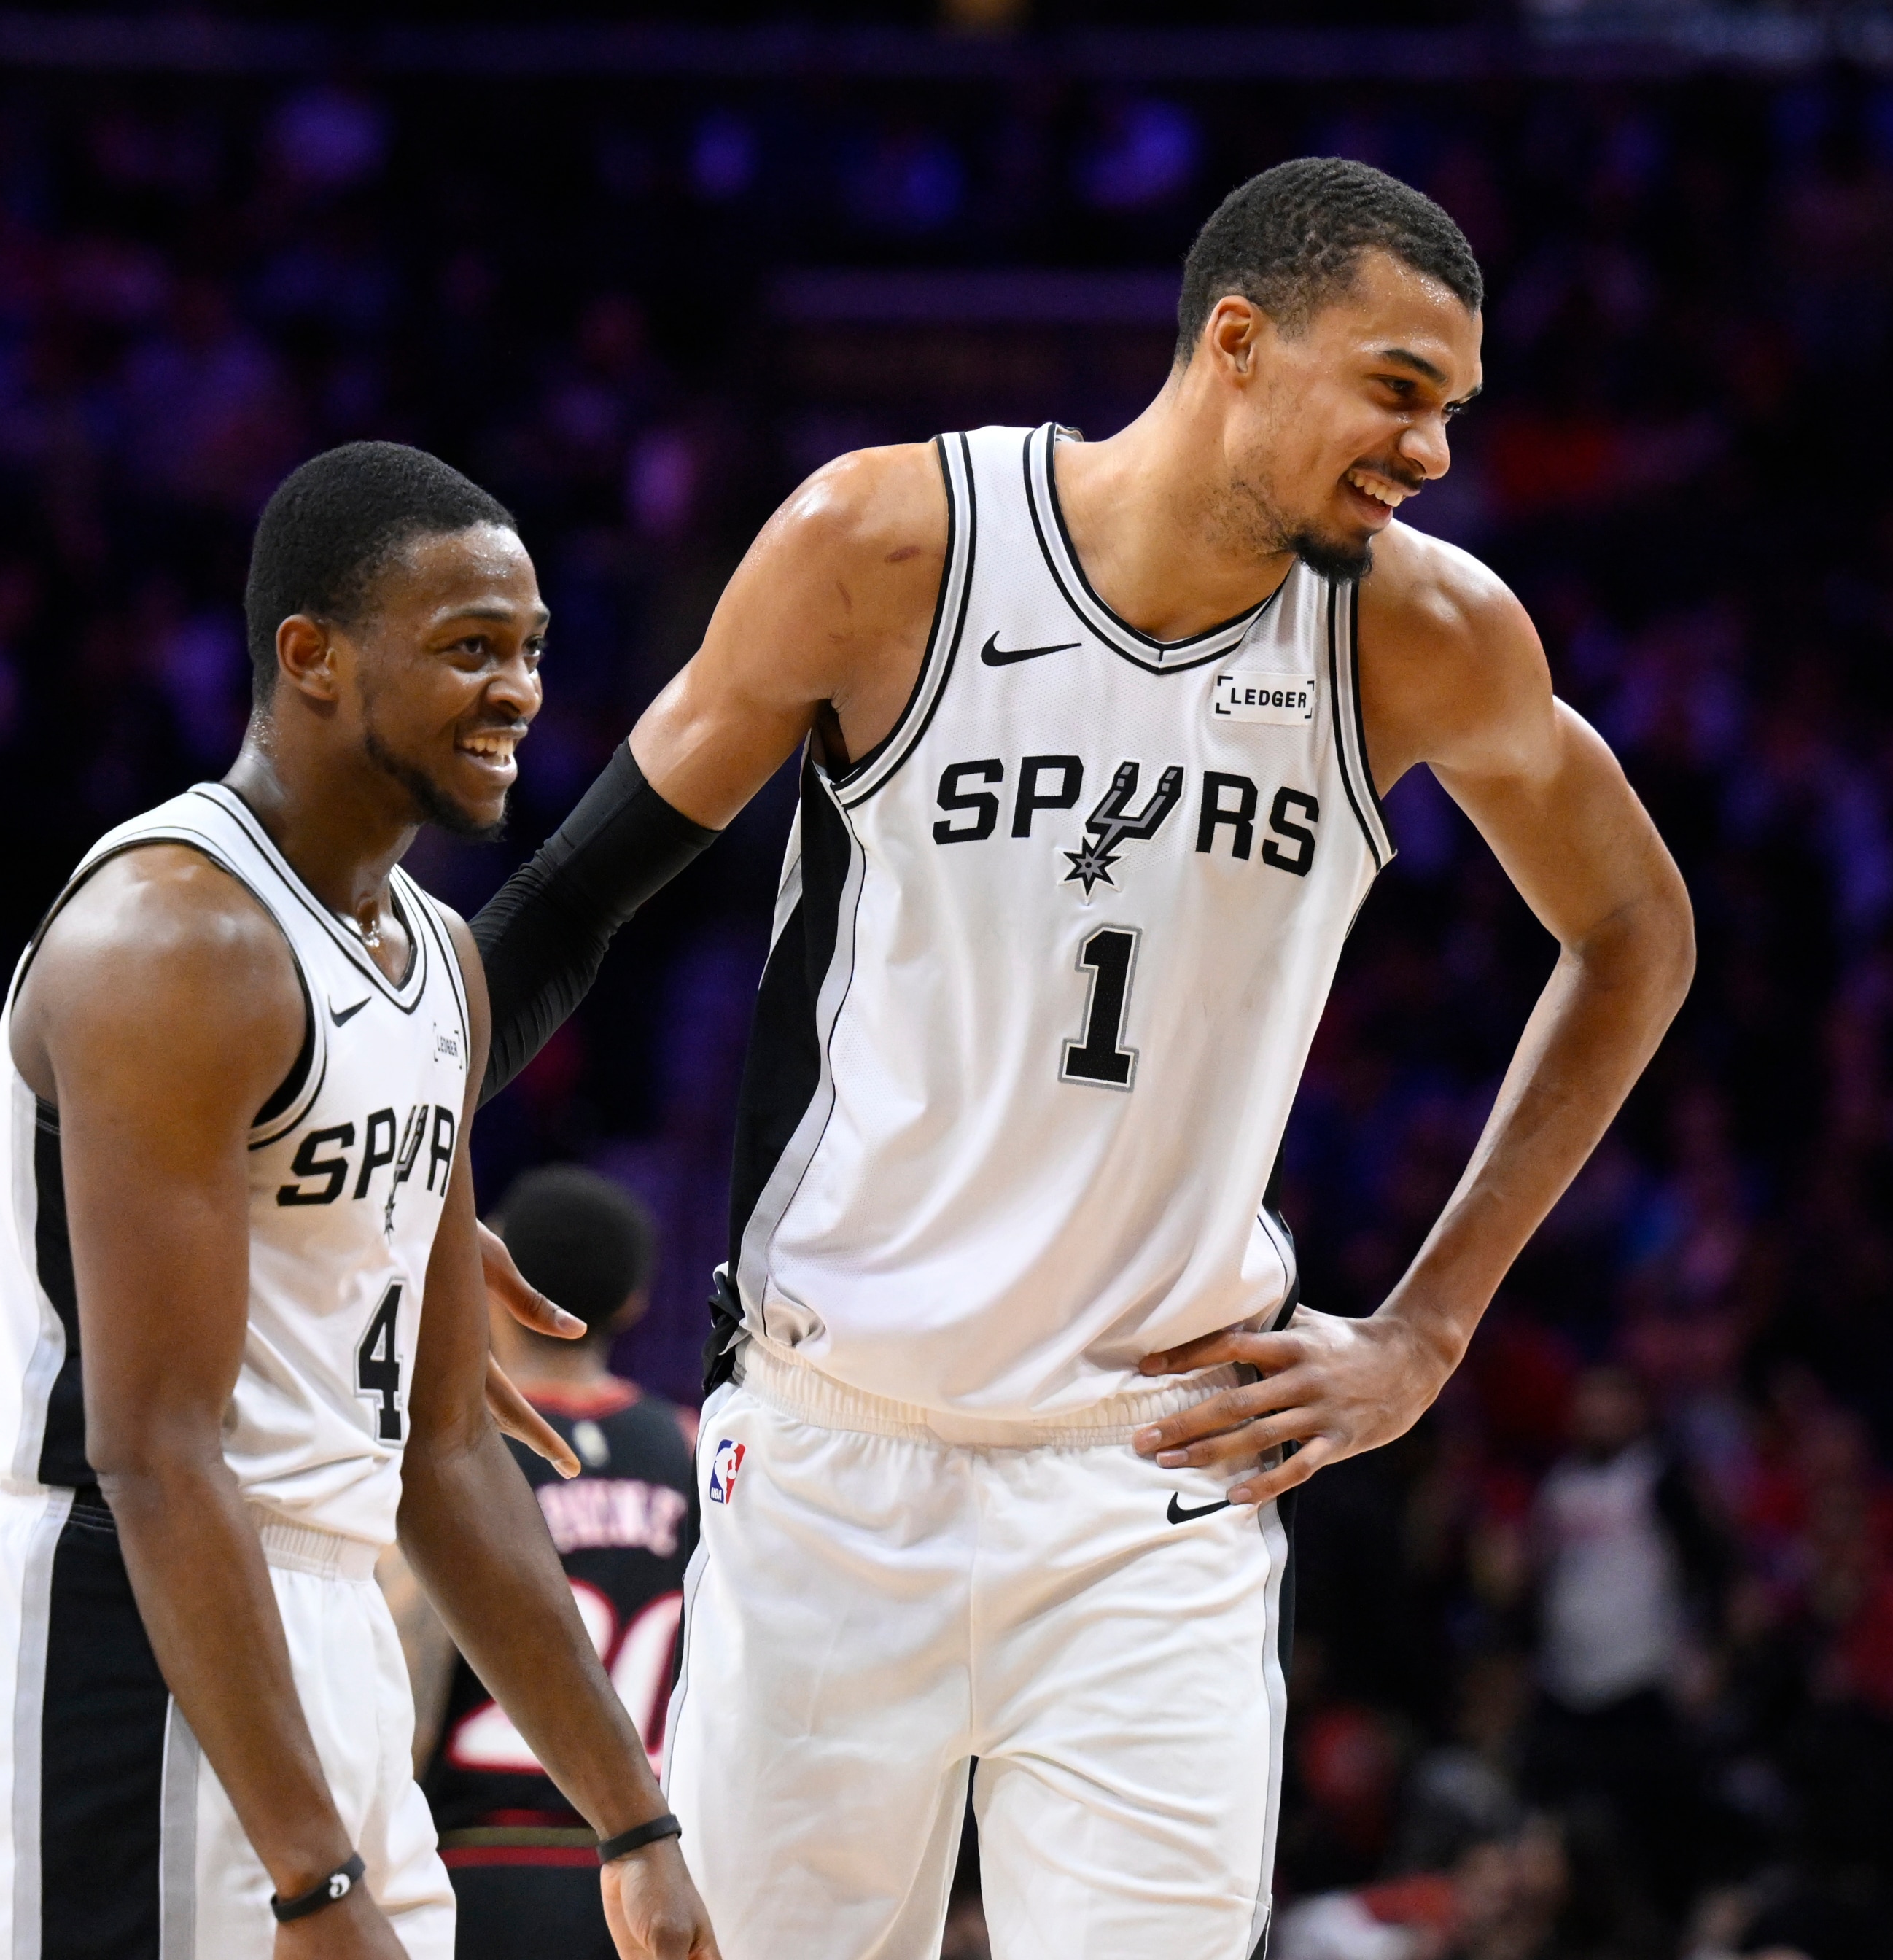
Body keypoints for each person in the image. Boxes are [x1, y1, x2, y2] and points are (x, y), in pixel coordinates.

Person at [471, 157, 1695, 1958]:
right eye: (1400, 391)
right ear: (1238, 345)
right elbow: (573, 902)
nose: (1435, 451)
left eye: (1455, 410)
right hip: (833, 1452)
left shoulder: (1419, 635)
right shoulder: (884, 548)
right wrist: (397, 1161)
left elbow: (1635, 937)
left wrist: (1429, 1329)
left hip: (1153, 1479)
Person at [0, 443, 720, 1960]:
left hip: (341, 1621)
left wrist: (634, 1819)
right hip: (132, 1631)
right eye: (469, 648)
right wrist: (314, 1878)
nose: (520, 690)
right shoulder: (180, 940)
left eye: (533, 650)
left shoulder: (436, 962)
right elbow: (155, 1449)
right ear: (314, 659)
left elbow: (452, 1446)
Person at [396, 1167, 699, 1960]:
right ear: (633, 1302)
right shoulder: (697, 1451)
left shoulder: (451, 1456)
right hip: (649, 1871)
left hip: (477, 1863)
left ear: (496, 1279)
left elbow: (408, 1688)